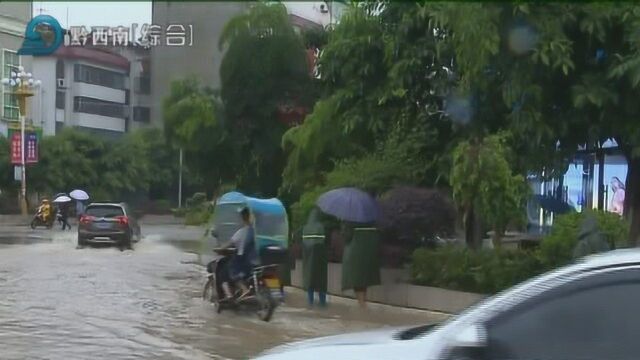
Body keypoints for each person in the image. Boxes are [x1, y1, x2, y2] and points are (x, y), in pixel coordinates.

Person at [221, 207, 257, 300]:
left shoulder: (242, 232)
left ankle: (244, 289)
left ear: (243, 217)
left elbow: (229, 244)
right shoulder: (257, 232)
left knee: (231, 272)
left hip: (243, 261)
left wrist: (221, 248)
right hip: (255, 260)